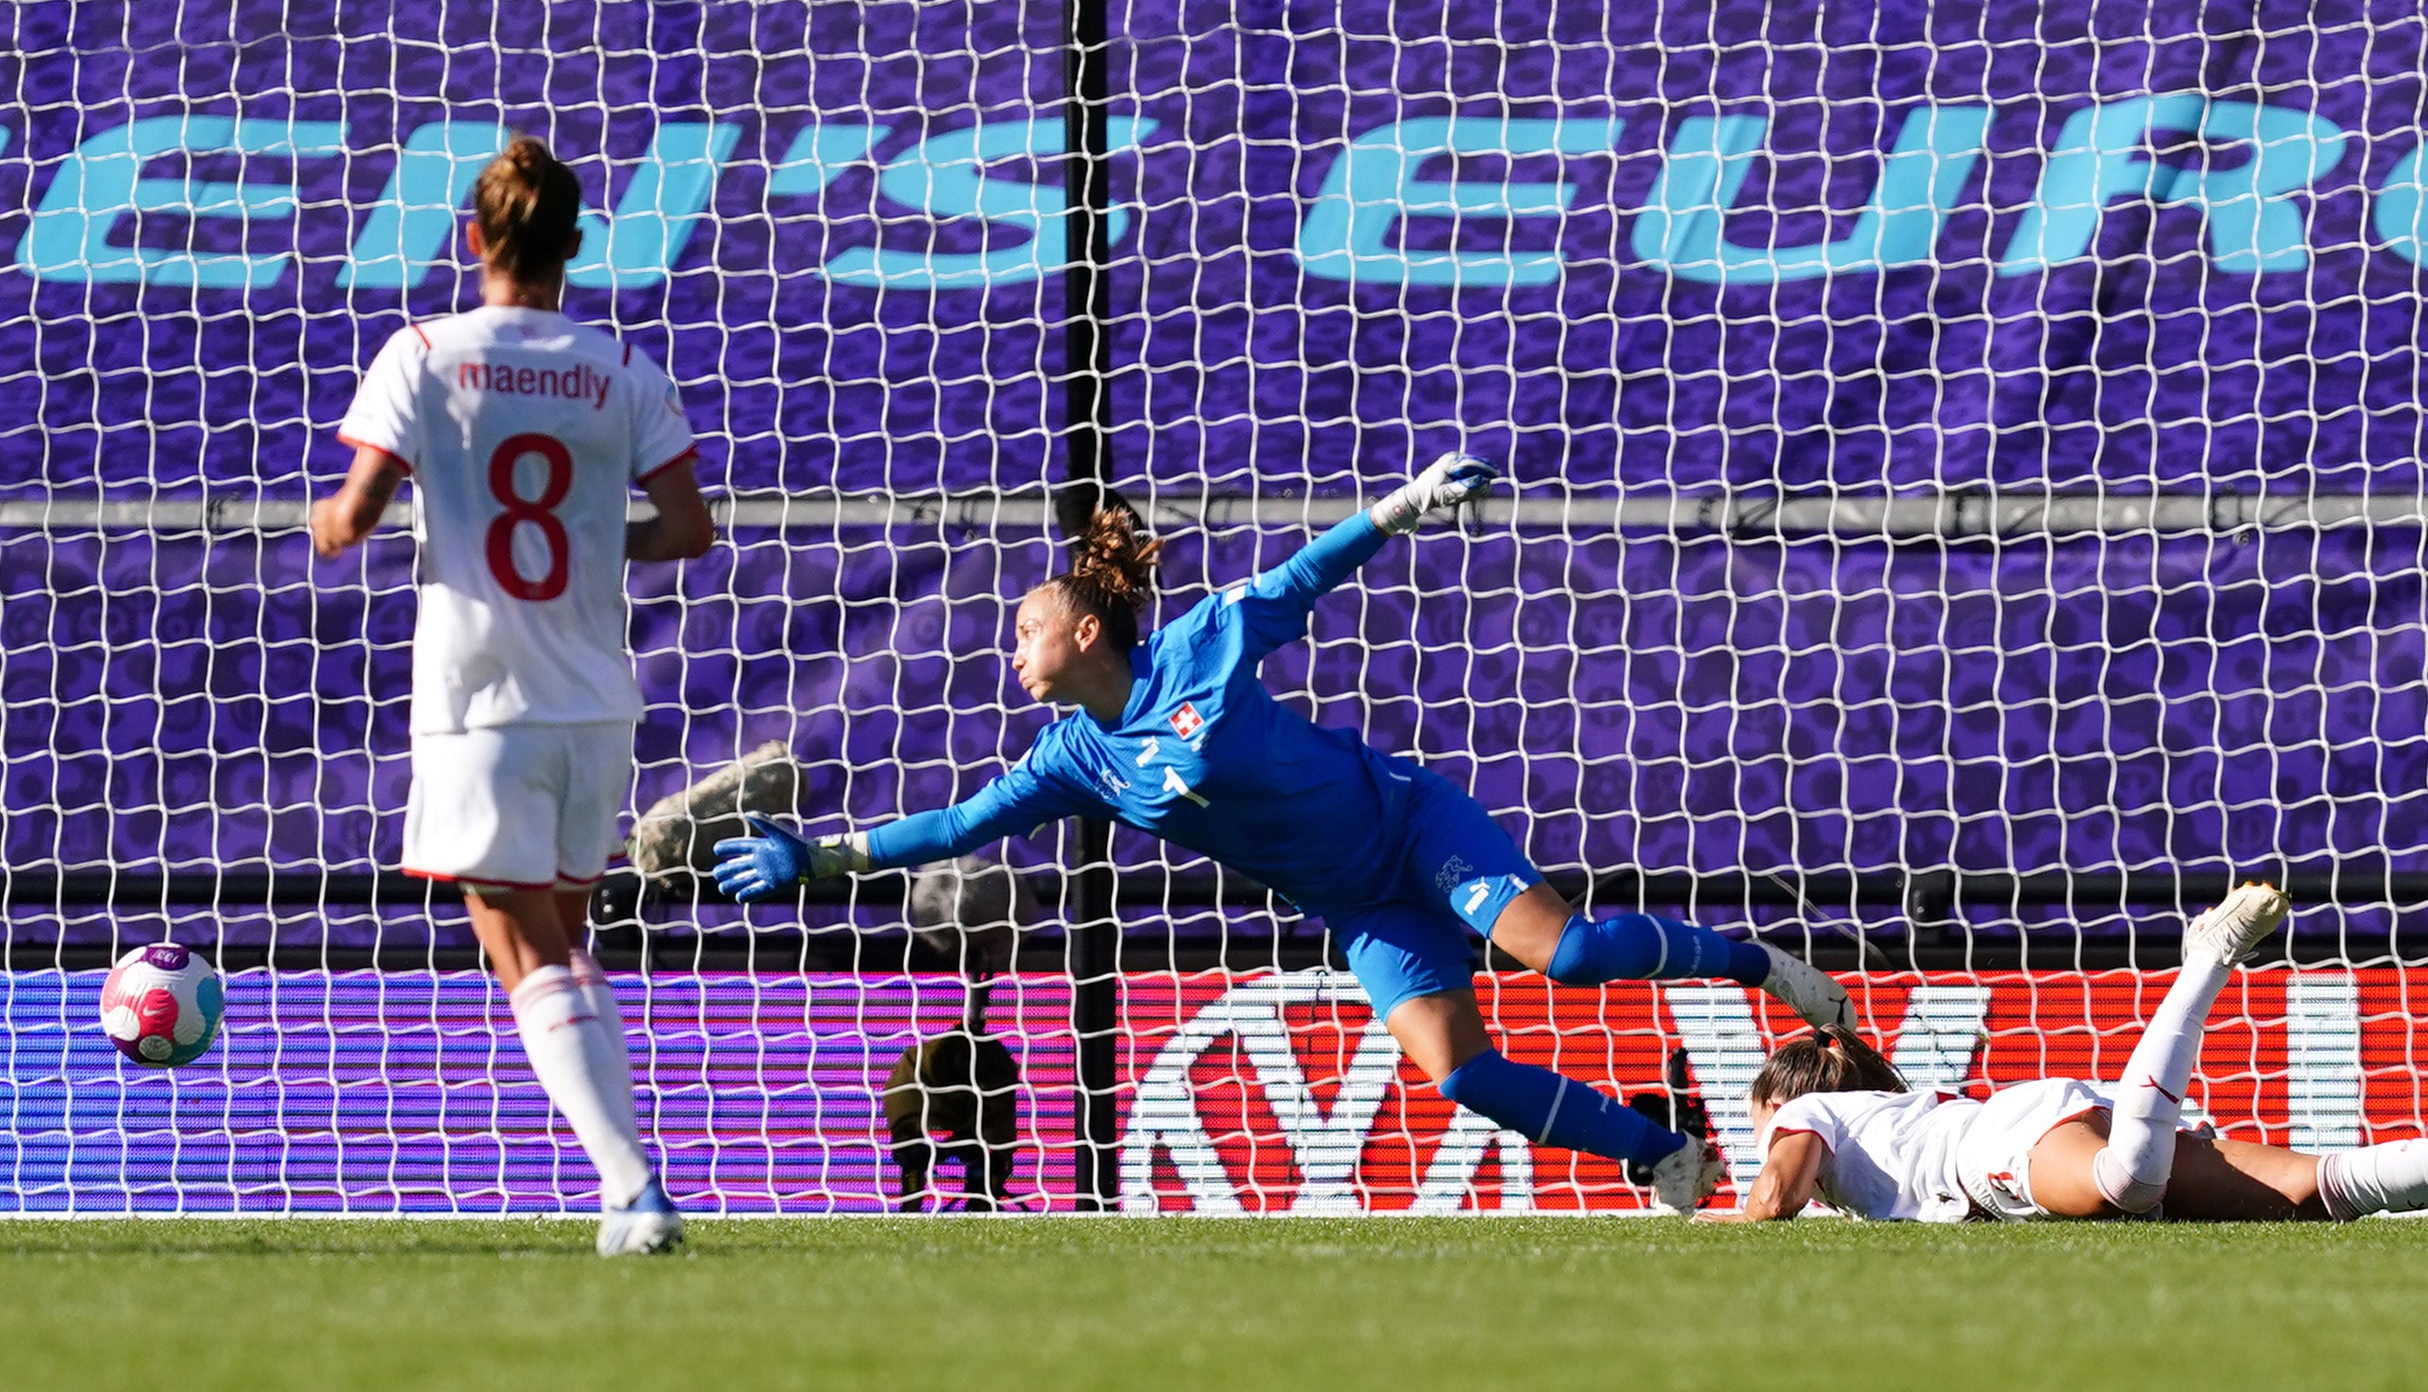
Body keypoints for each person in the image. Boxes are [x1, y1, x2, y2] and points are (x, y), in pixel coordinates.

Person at [712, 478, 1855, 1214]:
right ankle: (1666, 1154)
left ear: (1087, 630)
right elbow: (955, 825)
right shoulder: (1074, 758)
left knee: (1563, 956)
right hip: (1361, 905)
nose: (1011, 649)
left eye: (1026, 629)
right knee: (1456, 1070)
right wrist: (818, 859)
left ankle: (1764, 968)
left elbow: (1305, 574)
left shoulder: (1203, 643)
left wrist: (1404, 505)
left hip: (1412, 823)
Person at [309, 137, 716, 1256]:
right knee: (559, 952)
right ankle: (620, 1191)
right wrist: (595, 535)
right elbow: (688, 530)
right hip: (598, 706)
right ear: (575, 246)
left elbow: (348, 519)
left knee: (525, 952)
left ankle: (636, 1190)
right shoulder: (620, 365)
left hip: (481, 704)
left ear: (475, 239)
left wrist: (333, 522)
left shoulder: (425, 352)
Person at [1720, 883, 2428, 1225]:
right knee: (2315, 1191)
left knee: (2121, 1185)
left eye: (1760, 1122)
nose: (1767, 1137)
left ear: (1787, 1099)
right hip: (2032, 1116)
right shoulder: (1876, 1118)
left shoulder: (1805, 1114)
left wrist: (1697, 1217)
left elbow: (1772, 1199)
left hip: (1994, 1147)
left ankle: (2203, 964)